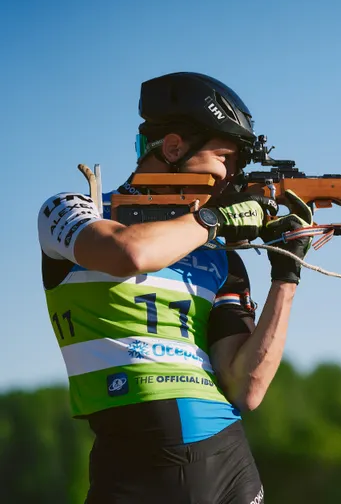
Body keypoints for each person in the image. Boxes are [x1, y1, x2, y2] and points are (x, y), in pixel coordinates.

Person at [37, 72, 312, 503]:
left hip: (228, 468)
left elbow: (245, 388)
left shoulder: (222, 256)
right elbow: (129, 253)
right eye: (226, 159)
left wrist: (286, 277)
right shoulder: (72, 210)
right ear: (173, 148)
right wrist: (214, 221)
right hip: (129, 470)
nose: (232, 178)